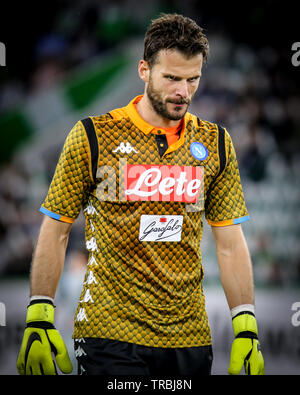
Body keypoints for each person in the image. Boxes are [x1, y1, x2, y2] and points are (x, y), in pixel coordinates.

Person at [17, 13, 264, 376]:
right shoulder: (92, 136)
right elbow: (56, 227)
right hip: (108, 333)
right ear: (144, 70)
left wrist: (246, 325)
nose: (183, 92)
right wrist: (39, 315)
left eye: (193, 80)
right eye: (172, 78)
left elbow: (229, 242)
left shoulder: (216, 143)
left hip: (189, 336)